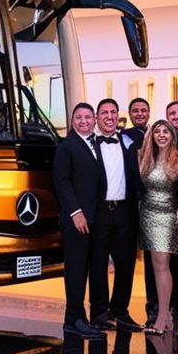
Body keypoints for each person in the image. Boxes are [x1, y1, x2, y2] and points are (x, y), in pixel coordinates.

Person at [53, 102, 106, 339]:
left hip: (95, 217)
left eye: (87, 117)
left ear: (94, 119)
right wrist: (76, 212)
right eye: (79, 117)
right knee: (75, 268)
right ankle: (73, 318)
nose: (83, 121)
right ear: (73, 120)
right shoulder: (67, 146)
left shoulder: (96, 143)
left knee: (89, 266)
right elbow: (62, 181)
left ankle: (84, 317)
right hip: (77, 219)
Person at [89, 99, 143, 331]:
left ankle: (120, 310)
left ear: (118, 116)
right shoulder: (89, 144)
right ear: (97, 117)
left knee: (126, 263)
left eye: (113, 112)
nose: (109, 116)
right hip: (100, 210)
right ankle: (99, 312)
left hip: (124, 210)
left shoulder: (129, 142)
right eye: (104, 113)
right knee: (98, 263)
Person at [138, 120, 178, 334]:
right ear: (152, 135)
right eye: (157, 131)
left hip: (169, 217)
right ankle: (164, 315)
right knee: (157, 266)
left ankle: (165, 315)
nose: (162, 135)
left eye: (166, 131)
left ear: (172, 135)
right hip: (148, 215)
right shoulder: (146, 157)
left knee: (164, 266)